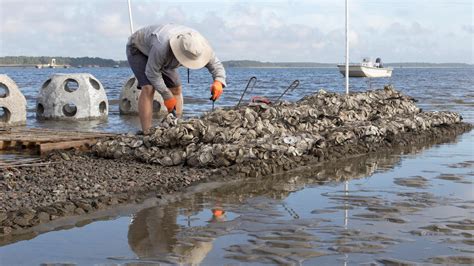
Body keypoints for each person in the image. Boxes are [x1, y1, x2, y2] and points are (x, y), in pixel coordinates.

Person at [126, 24, 227, 133]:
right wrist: (166, 96)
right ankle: (146, 132)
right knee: (148, 88)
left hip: (164, 57)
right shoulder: (162, 46)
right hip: (138, 48)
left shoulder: (200, 45)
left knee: (176, 88)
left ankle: (176, 129)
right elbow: (152, 73)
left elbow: (216, 65)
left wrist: (219, 81)